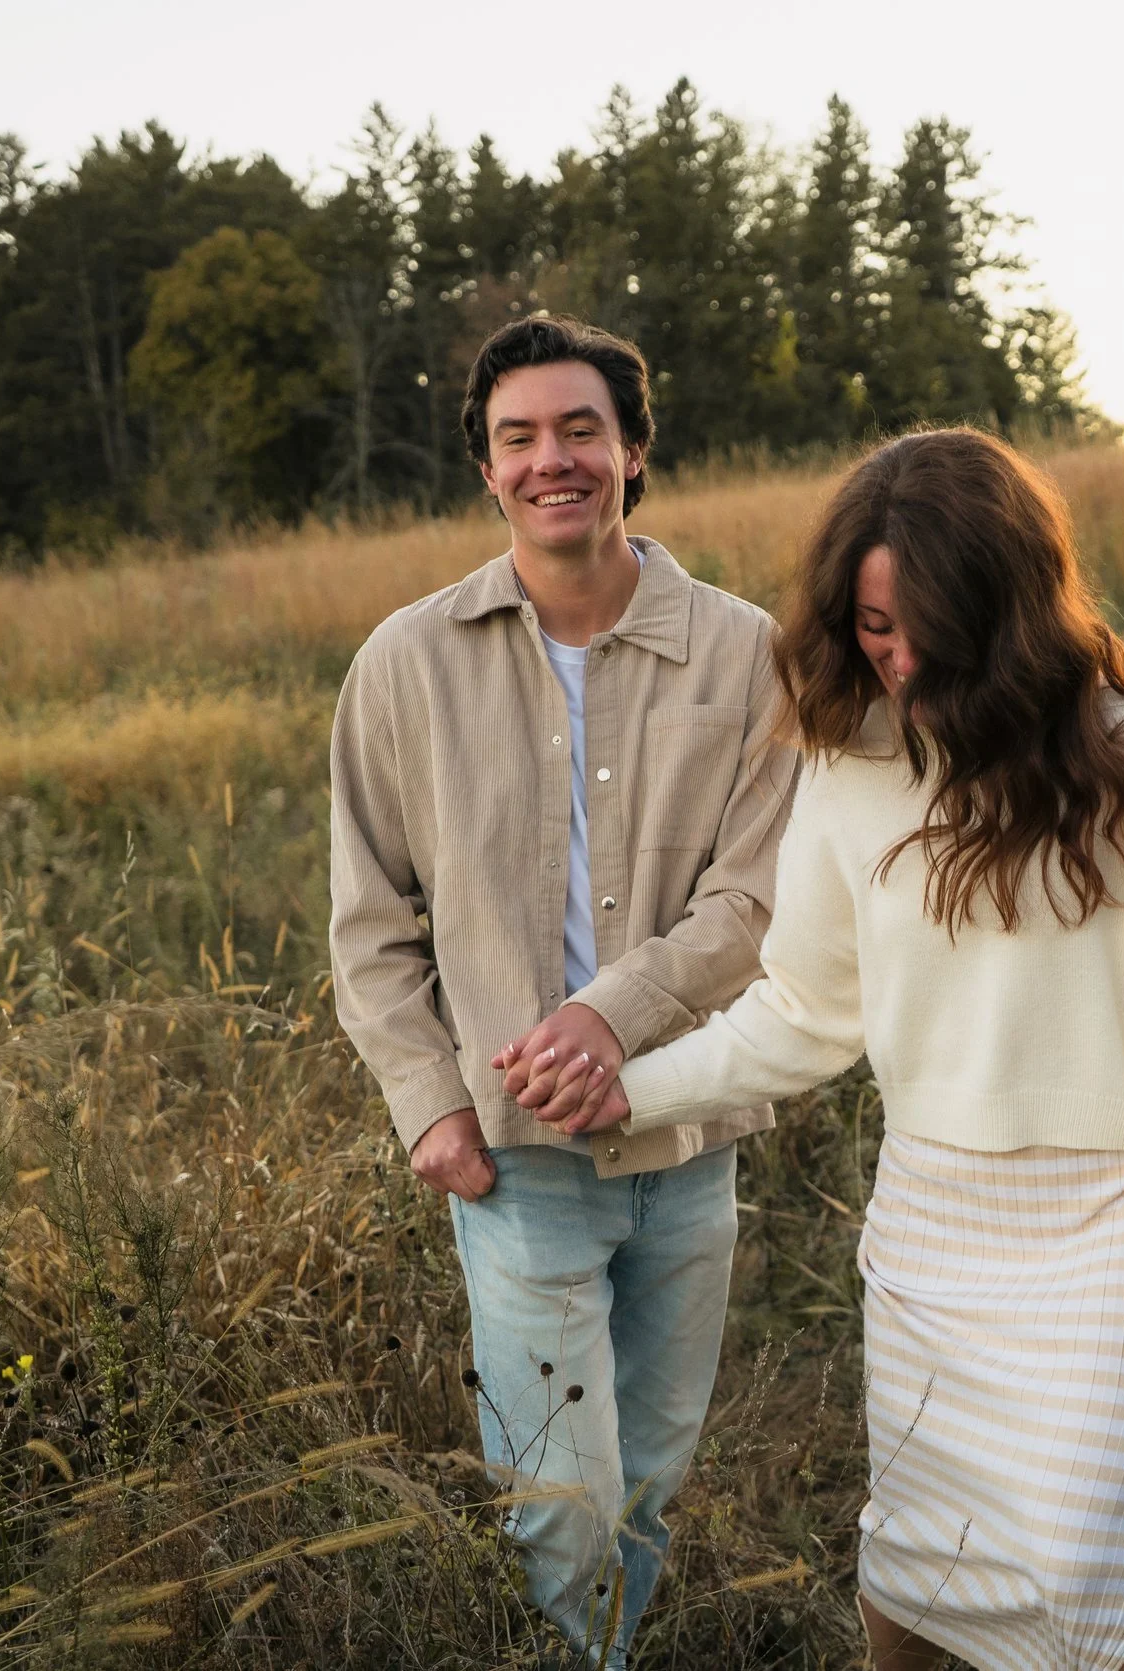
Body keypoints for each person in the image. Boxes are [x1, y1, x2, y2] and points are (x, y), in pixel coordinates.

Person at [521, 428, 1124, 1671]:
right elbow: (804, 1013)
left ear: (1008, 605)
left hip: (1111, 1227)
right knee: (915, 1569)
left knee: (1074, 1577)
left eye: (926, 624)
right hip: (933, 1220)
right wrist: (627, 1093)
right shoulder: (850, 767)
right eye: (872, 626)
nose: (900, 656)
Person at [327, 315, 797, 1667]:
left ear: (634, 448)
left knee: (647, 1471)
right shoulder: (404, 666)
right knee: (562, 1498)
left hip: (689, 1136)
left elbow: (758, 899)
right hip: (513, 1160)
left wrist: (613, 1016)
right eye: (520, 435)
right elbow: (369, 923)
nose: (554, 460)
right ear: (486, 463)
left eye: (581, 429)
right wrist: (429, 1104)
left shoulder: (744, 654)